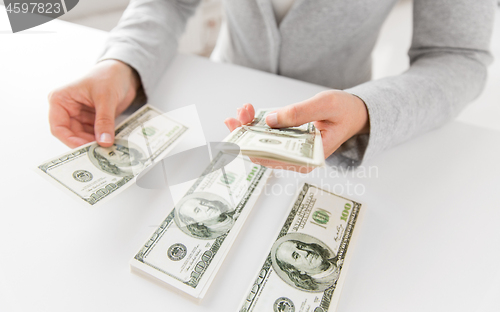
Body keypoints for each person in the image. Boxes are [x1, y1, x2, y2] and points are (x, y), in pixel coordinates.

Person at [48, 0, 496, 170]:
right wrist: (123, 61)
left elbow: (457, 56)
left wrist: (366, 110)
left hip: (340, 132)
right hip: (216, 96)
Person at [273, 239, 342, 291]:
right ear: (297, 270)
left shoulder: (341, 255)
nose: (305, 252)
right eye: (296, 256)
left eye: (301, 246)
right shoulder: (320, 289)